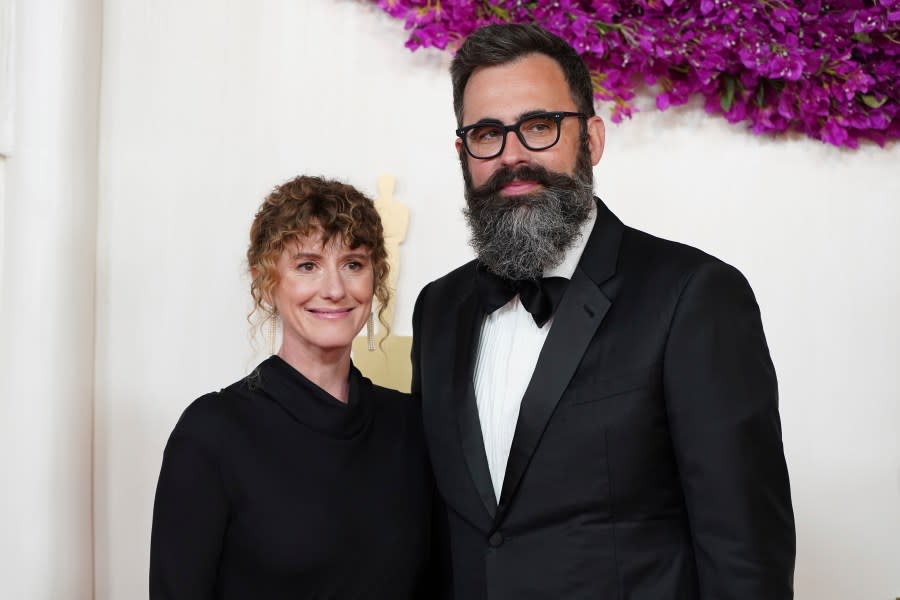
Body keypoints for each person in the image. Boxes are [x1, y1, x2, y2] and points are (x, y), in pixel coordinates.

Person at [412, 24, 795, 599]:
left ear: (591, 139)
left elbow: (745, 560)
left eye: (539, 127)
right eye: (488, 134)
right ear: (464, 152)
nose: (512, 155)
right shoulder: (437, 309)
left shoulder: (695, 297)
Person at [150, 175, 434, 599]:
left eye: (353, 264)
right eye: (307, 266)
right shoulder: (212, 433)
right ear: (266, 282)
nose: (335, 289)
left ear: (375, 278)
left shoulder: (410, 425)